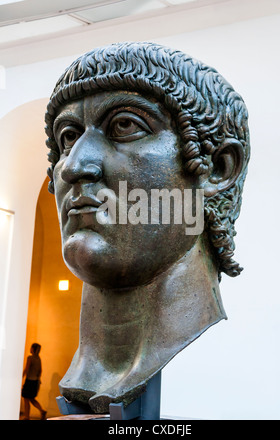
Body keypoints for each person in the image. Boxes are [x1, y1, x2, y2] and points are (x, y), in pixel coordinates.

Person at [44, 42, 250, 413]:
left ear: (217, 168)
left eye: (125, 125)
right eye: (69, 136)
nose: (74, 166)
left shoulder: (223, 372)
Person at [22, 343, 47, 420]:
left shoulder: (30, 358)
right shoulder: (38, 359)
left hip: (29, 381)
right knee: (31, 398)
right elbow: (40, 371)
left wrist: (21, 377)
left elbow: (26, 368)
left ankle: (27, 416)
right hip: (35, 381)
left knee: (26, 398)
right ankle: (42, 410)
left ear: (32, 349)